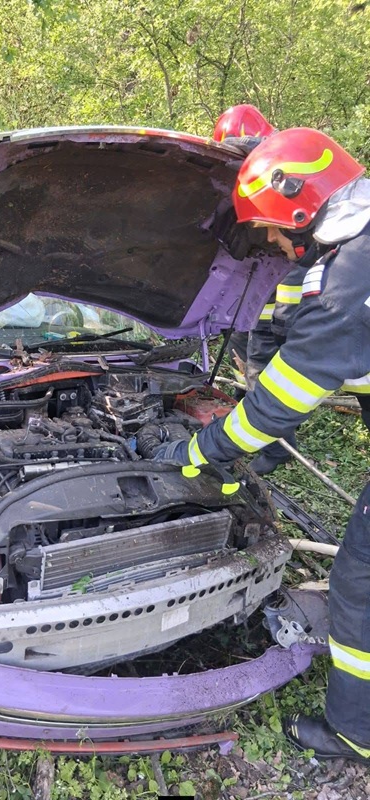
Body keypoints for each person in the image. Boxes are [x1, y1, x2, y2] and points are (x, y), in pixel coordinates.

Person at [155, 127, 370, 761]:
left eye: (272, 231)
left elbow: (277, 404)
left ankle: (355, 732)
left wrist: (201, 452)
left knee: (359, 582)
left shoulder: (348, 284)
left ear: (301, 211)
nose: (273, 244)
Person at [213, 105, 304, 474]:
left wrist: (281, 323)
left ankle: (278, 447)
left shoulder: (278, 175)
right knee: (247, 364)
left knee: (263, 372)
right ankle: (248, 411)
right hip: (255, 301)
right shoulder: (267, 174)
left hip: (275, 305)